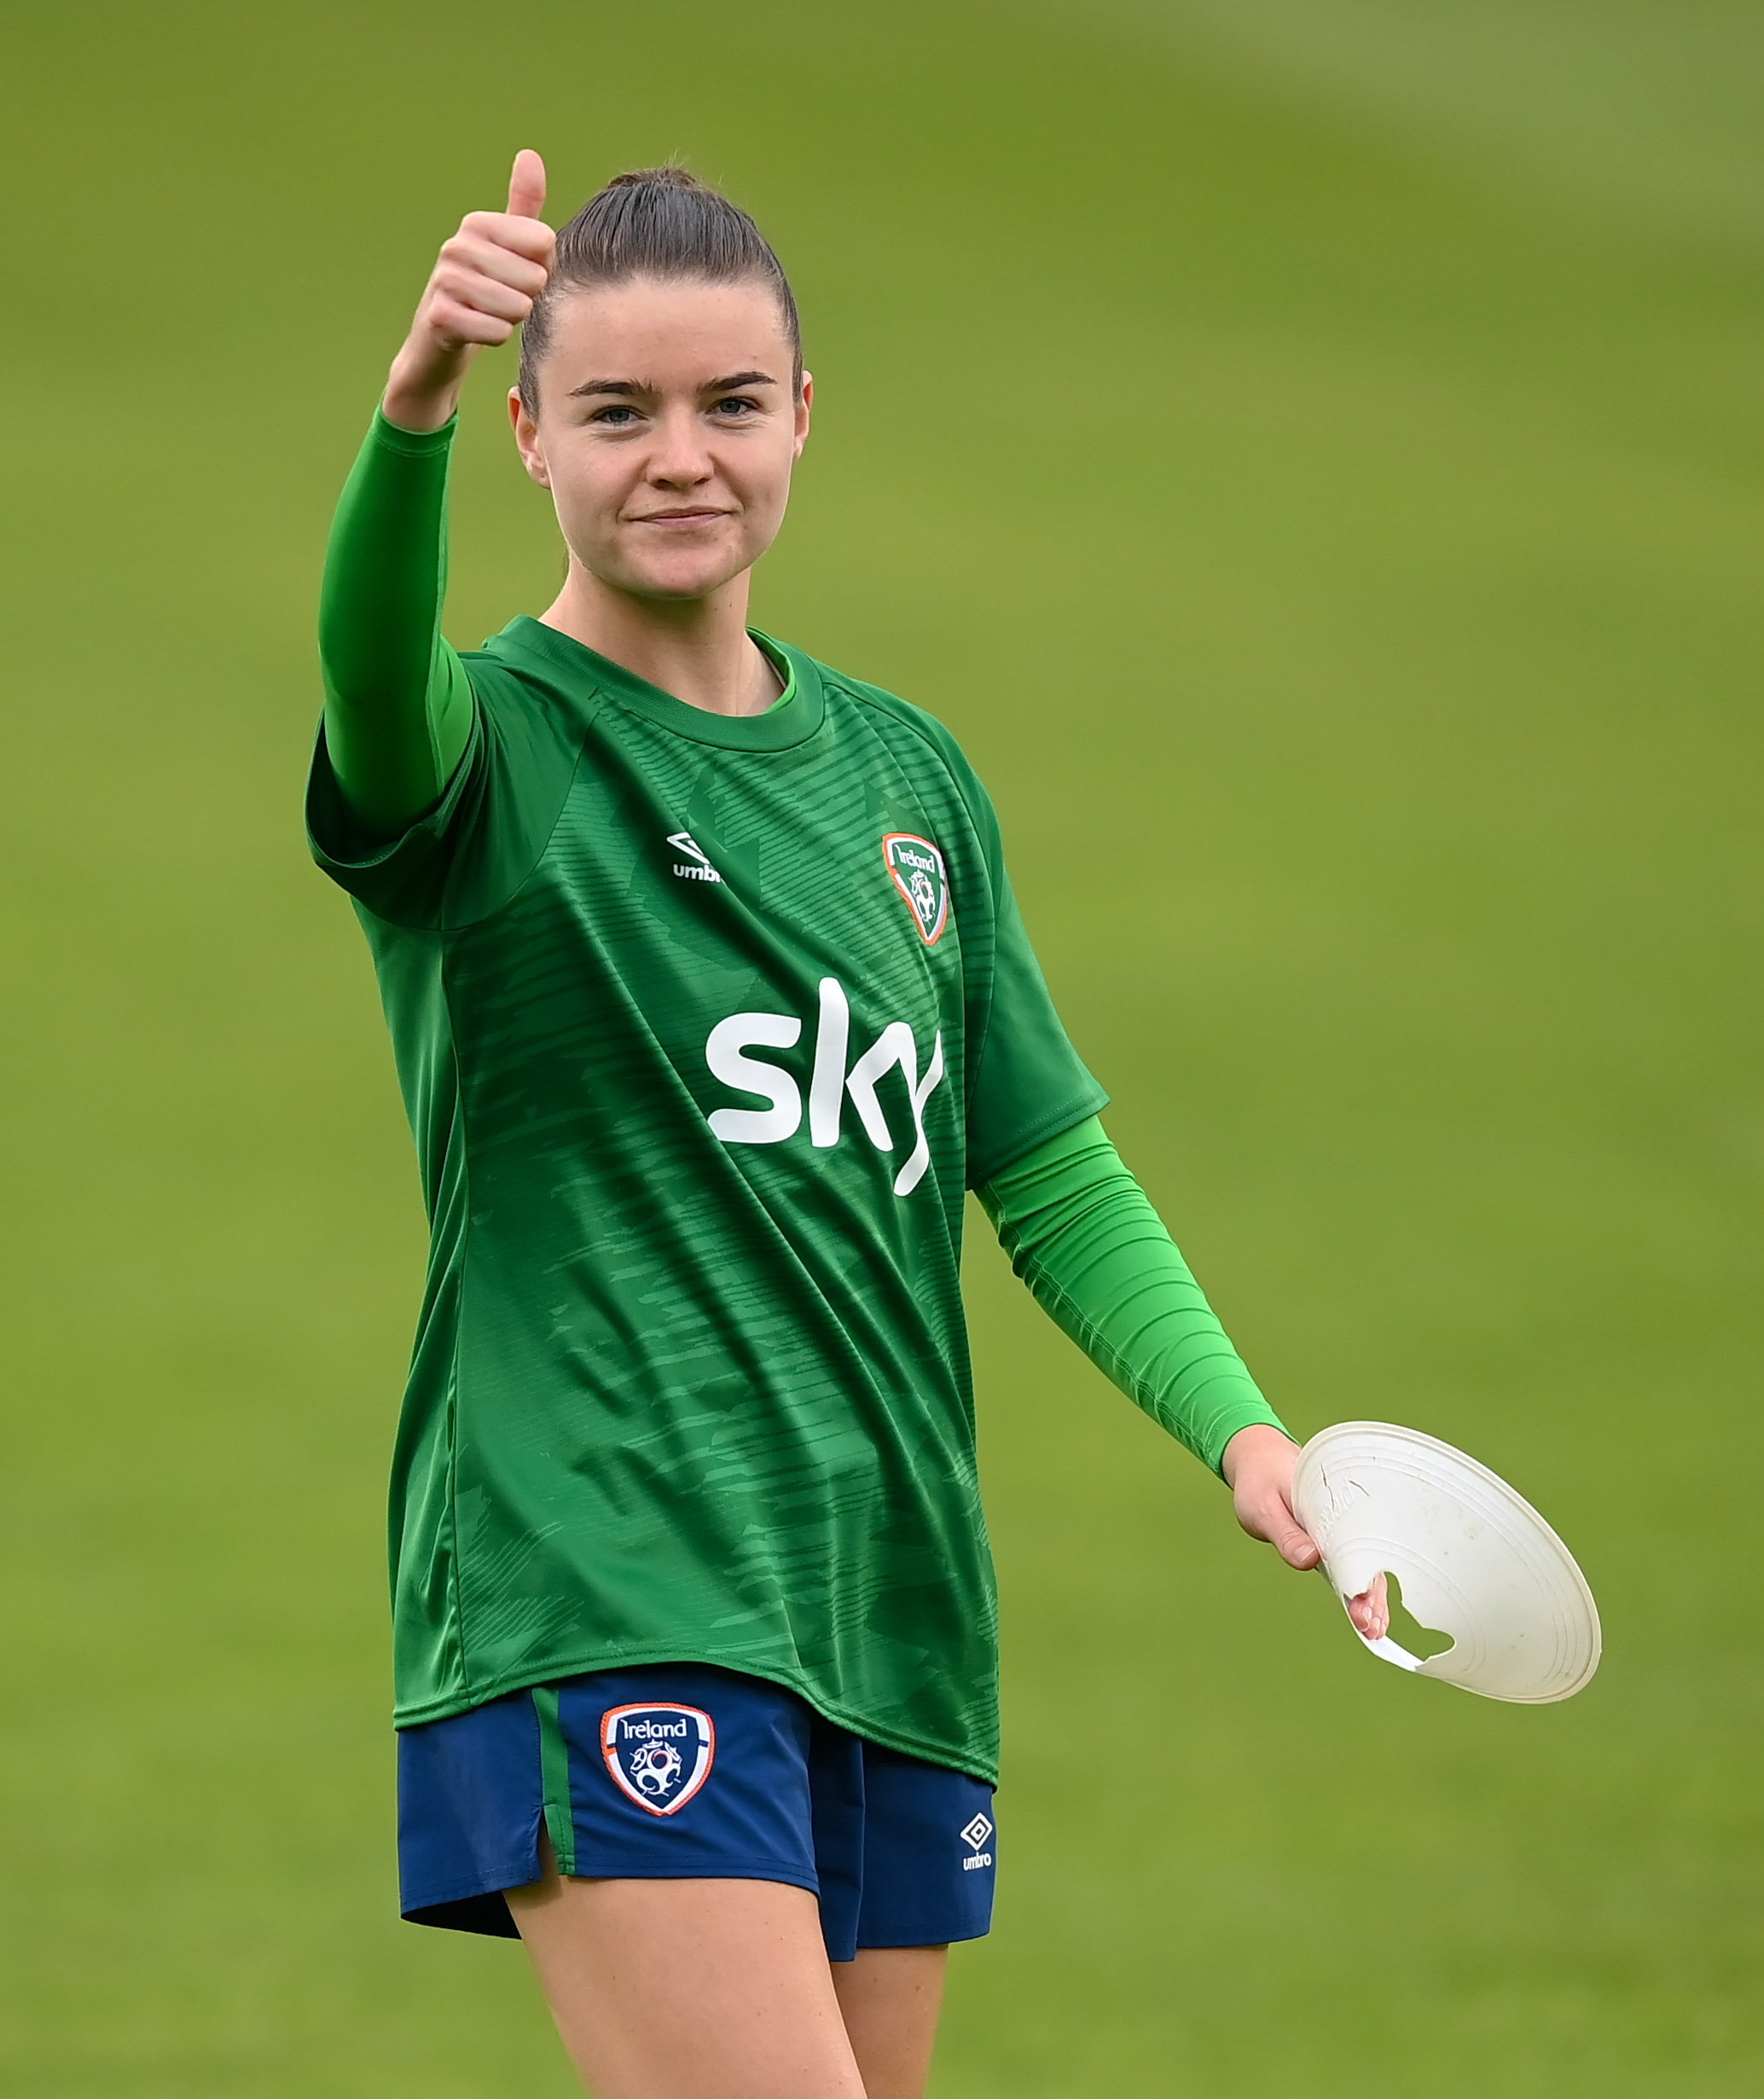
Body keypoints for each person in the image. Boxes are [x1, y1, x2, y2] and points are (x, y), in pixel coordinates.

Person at [308, 149, 1387, 2099]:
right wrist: (406, 417)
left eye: (731, 403)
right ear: (529, 435)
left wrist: (1241, 1426)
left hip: (885, 1596)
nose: (681, 457)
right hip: (610, 1573)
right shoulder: (492, 753)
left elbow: (1041, 1161)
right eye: (617, 412)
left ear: (804, 415)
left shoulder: (907, 778)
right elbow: (370, 689)